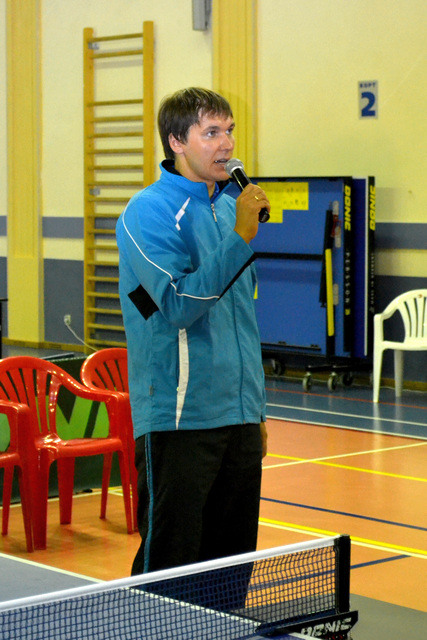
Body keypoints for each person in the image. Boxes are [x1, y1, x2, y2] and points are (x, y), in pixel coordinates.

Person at [116, 87, 270, 576]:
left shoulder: (227, 208)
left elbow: (242, 320)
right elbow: (179, 306)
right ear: (176, 141)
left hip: (238, 417)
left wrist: (254, 412)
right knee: (172, 568)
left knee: (230, 569)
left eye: (229, 131)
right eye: (211, 132)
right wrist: (242, 237)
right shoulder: (148, 212)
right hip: (180, 419)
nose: (227, 144)